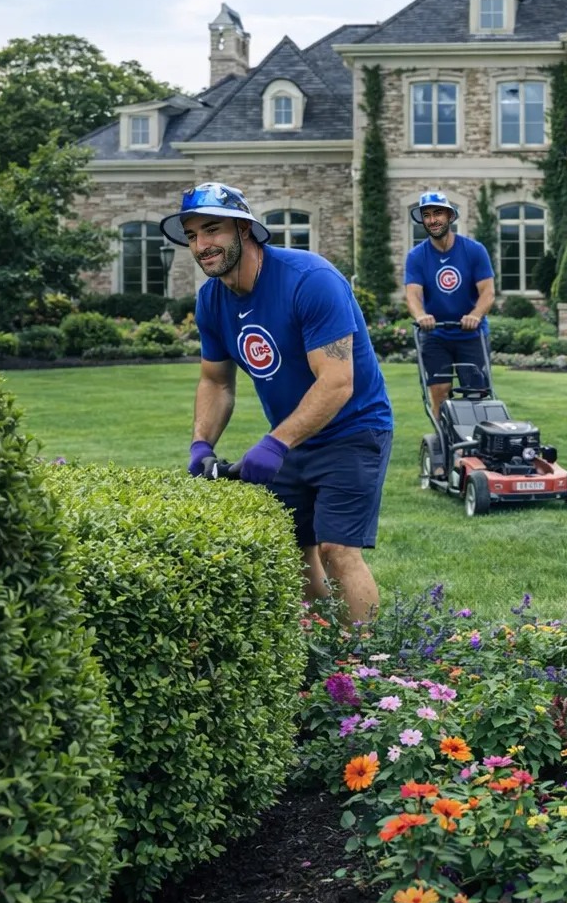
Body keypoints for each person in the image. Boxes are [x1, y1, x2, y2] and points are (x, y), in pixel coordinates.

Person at [164, 182, 395, 625]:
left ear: (245, 230)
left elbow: (336, 383)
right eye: (192, 236)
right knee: (294, 545)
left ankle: (369, 666)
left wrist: (275, 444)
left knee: (336, 549)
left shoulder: (310, 280)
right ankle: (320, 642)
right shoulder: (211, 300)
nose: (202, 245)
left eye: (212, 230)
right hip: (294, 435)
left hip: (354, 429)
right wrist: (200, 445)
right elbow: (215, 381)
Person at [403, 191, 495, 426]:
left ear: (450, 216)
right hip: (436, 335)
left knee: (476, 394)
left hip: (471, 334)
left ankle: (475, 447)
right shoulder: (416, 256)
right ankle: (443, 447)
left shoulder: (474, 250)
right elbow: (412, 294)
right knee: (440, 391)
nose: (433, 220)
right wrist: (421, 315)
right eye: (427, 215)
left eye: (438, 214)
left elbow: (488, 292)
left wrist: (475, 315)